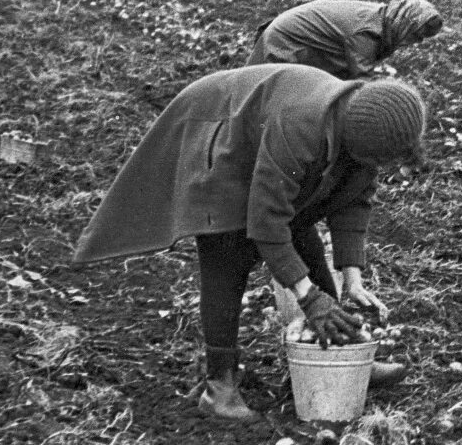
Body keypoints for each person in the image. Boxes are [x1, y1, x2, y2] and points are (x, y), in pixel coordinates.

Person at [73, 64, 426, 420]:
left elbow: (353, 198)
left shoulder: (363, 124)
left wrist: (353, 279)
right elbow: (268, 221)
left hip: (262, 139)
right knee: (226, 254)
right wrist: (307, 295)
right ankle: (219, 386)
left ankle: (338, 354)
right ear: (361, 145)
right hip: (217, 135)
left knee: (302, 229)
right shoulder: (302, 125)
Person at [246, 0, 443, 79]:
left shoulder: (383, 18)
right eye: (415, 36)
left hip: (301, 41)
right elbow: (361, 78)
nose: (415, 43)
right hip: (286, 43)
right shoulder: (368, 33)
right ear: (404, 23)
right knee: (278, 101)